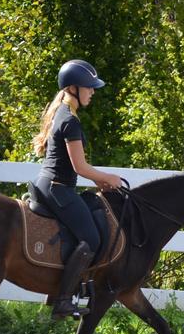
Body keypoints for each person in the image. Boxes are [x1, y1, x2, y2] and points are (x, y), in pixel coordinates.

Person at [32, 59, 122, 319]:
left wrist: (98, 181)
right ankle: (62, 300)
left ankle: (61, 290)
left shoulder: (63, 113)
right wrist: (108, 177)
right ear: (73, 88)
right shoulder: (70, 120)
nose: (92, 92)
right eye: (89, 87)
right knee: (92, 238)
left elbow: (73, 165)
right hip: (58, 189)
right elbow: (80, 167)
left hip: (53, 185)